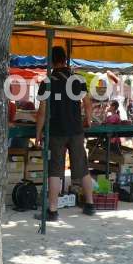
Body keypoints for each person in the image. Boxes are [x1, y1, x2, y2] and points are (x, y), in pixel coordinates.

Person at [35, 46, 96, 221]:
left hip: (56, 131)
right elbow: (87, 103)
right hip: (76, 130)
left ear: (51, 61)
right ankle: (90, 205)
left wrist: (38, 132)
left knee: (55, 169)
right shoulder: (78, 79)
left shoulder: (48, 82)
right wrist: (88, 120)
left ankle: (52, 211)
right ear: (65, 59)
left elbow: (42, 111)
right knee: (82, 167)